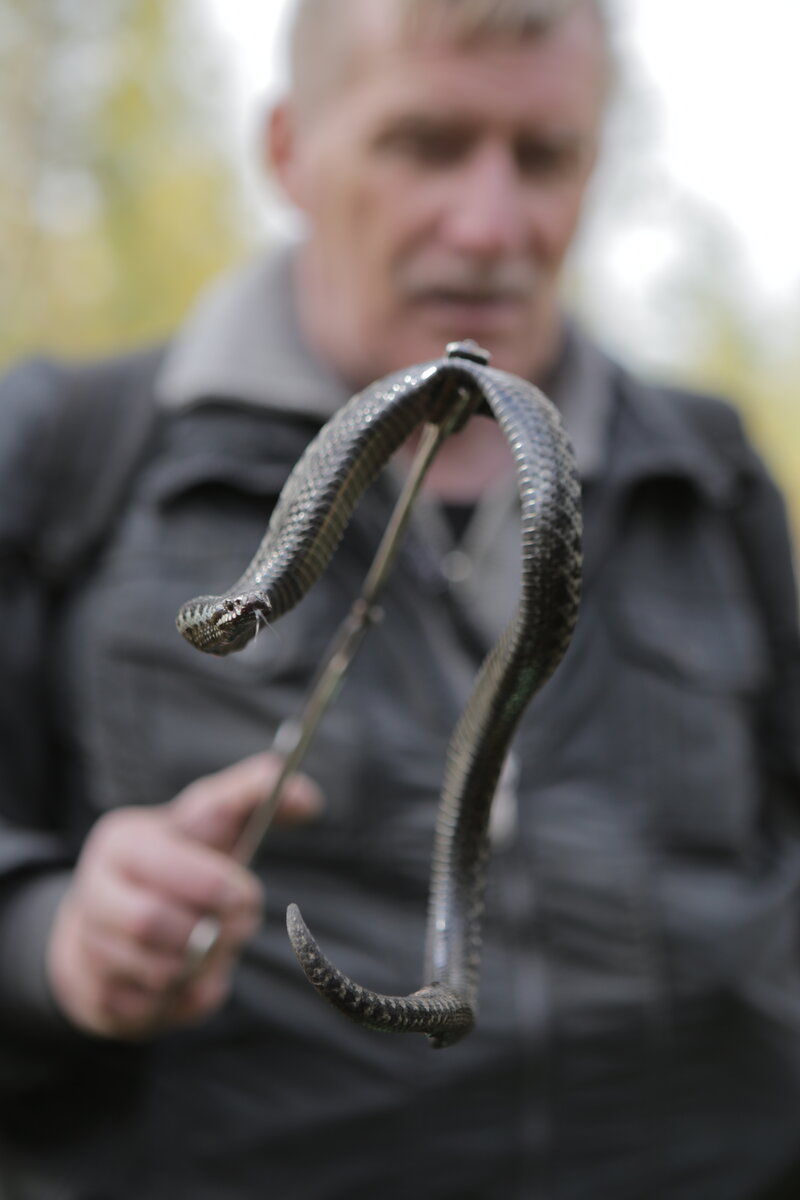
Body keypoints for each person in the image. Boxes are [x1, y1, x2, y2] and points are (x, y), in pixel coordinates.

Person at [1, 0, 799, 1196]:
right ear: (288, 150)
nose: (488, 225)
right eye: (423, 143)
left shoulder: (707, 469)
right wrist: (50, 936)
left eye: (542, 157)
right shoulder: (72, 450)